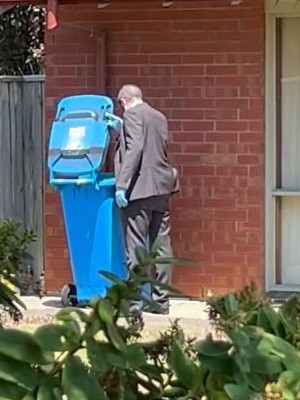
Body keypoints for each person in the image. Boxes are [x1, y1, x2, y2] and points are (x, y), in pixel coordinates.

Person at [114, 84, 179, 315]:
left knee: (135, 245)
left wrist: (121, 185)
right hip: (162, 189)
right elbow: (154, 146)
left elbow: (136, 148)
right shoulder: (158, 116)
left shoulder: (131, 114)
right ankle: (161, 301)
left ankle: (134, 303)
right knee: (160, 244)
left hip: (139, 189)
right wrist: (122, 128)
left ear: (123, 102)